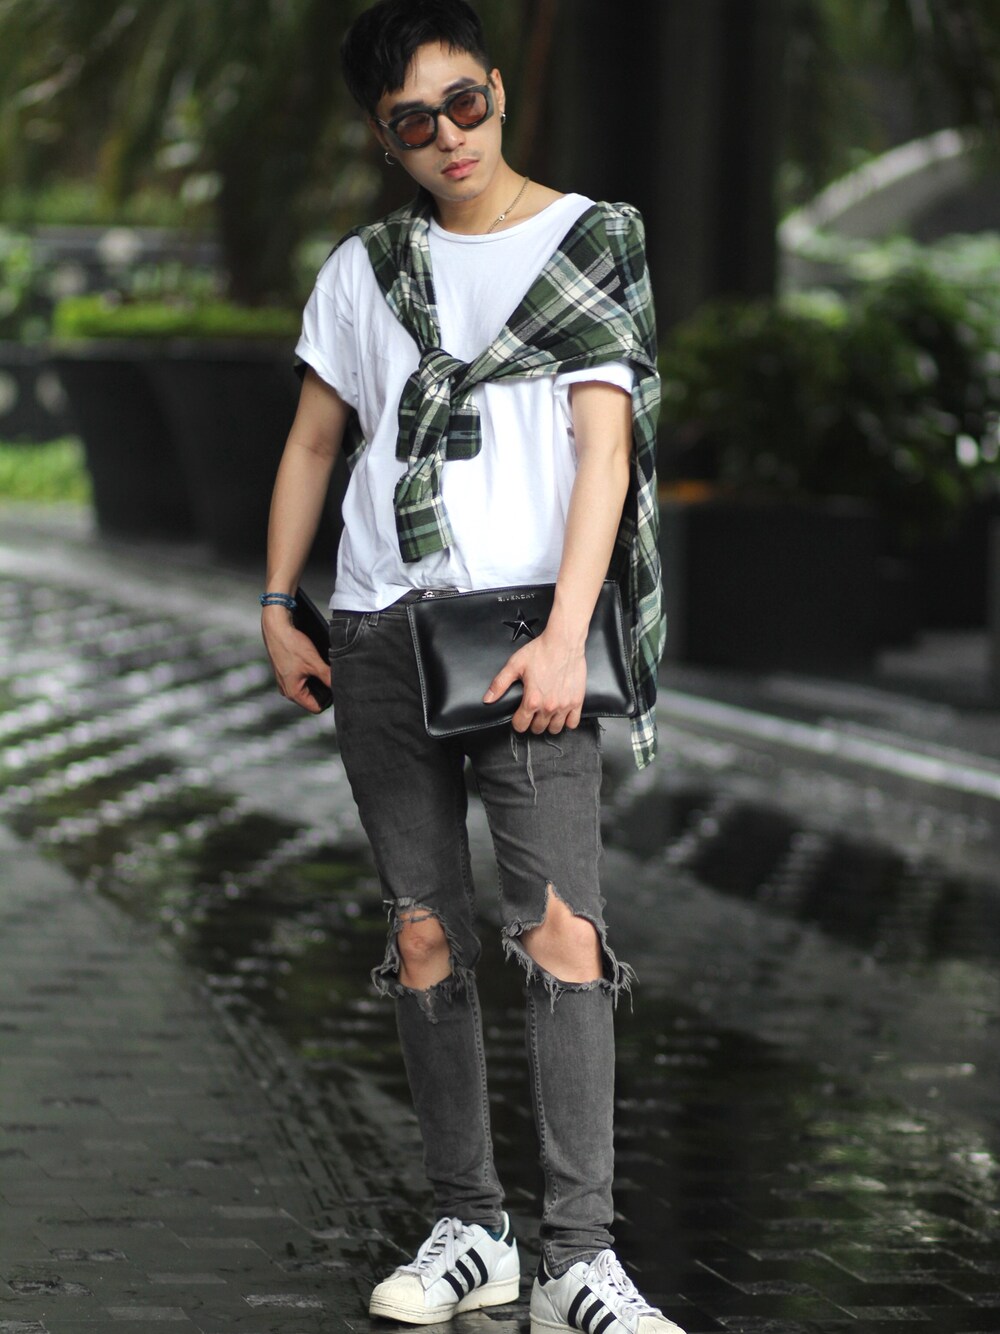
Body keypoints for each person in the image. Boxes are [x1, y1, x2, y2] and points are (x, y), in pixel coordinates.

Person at [261, 2, 681, 1330]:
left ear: (497, 90)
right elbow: (317, 442)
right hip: (379, 632)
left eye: (465, 102)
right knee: (422, 930)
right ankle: (472, 1227)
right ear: (382, 139)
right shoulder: (366, 270)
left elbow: (605, 453)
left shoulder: (588, 241)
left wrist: (568, 632)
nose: (449, 135)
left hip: (522, 638)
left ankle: (581, 1260)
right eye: (413, 122)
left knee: (561, 932)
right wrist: (280, 602)